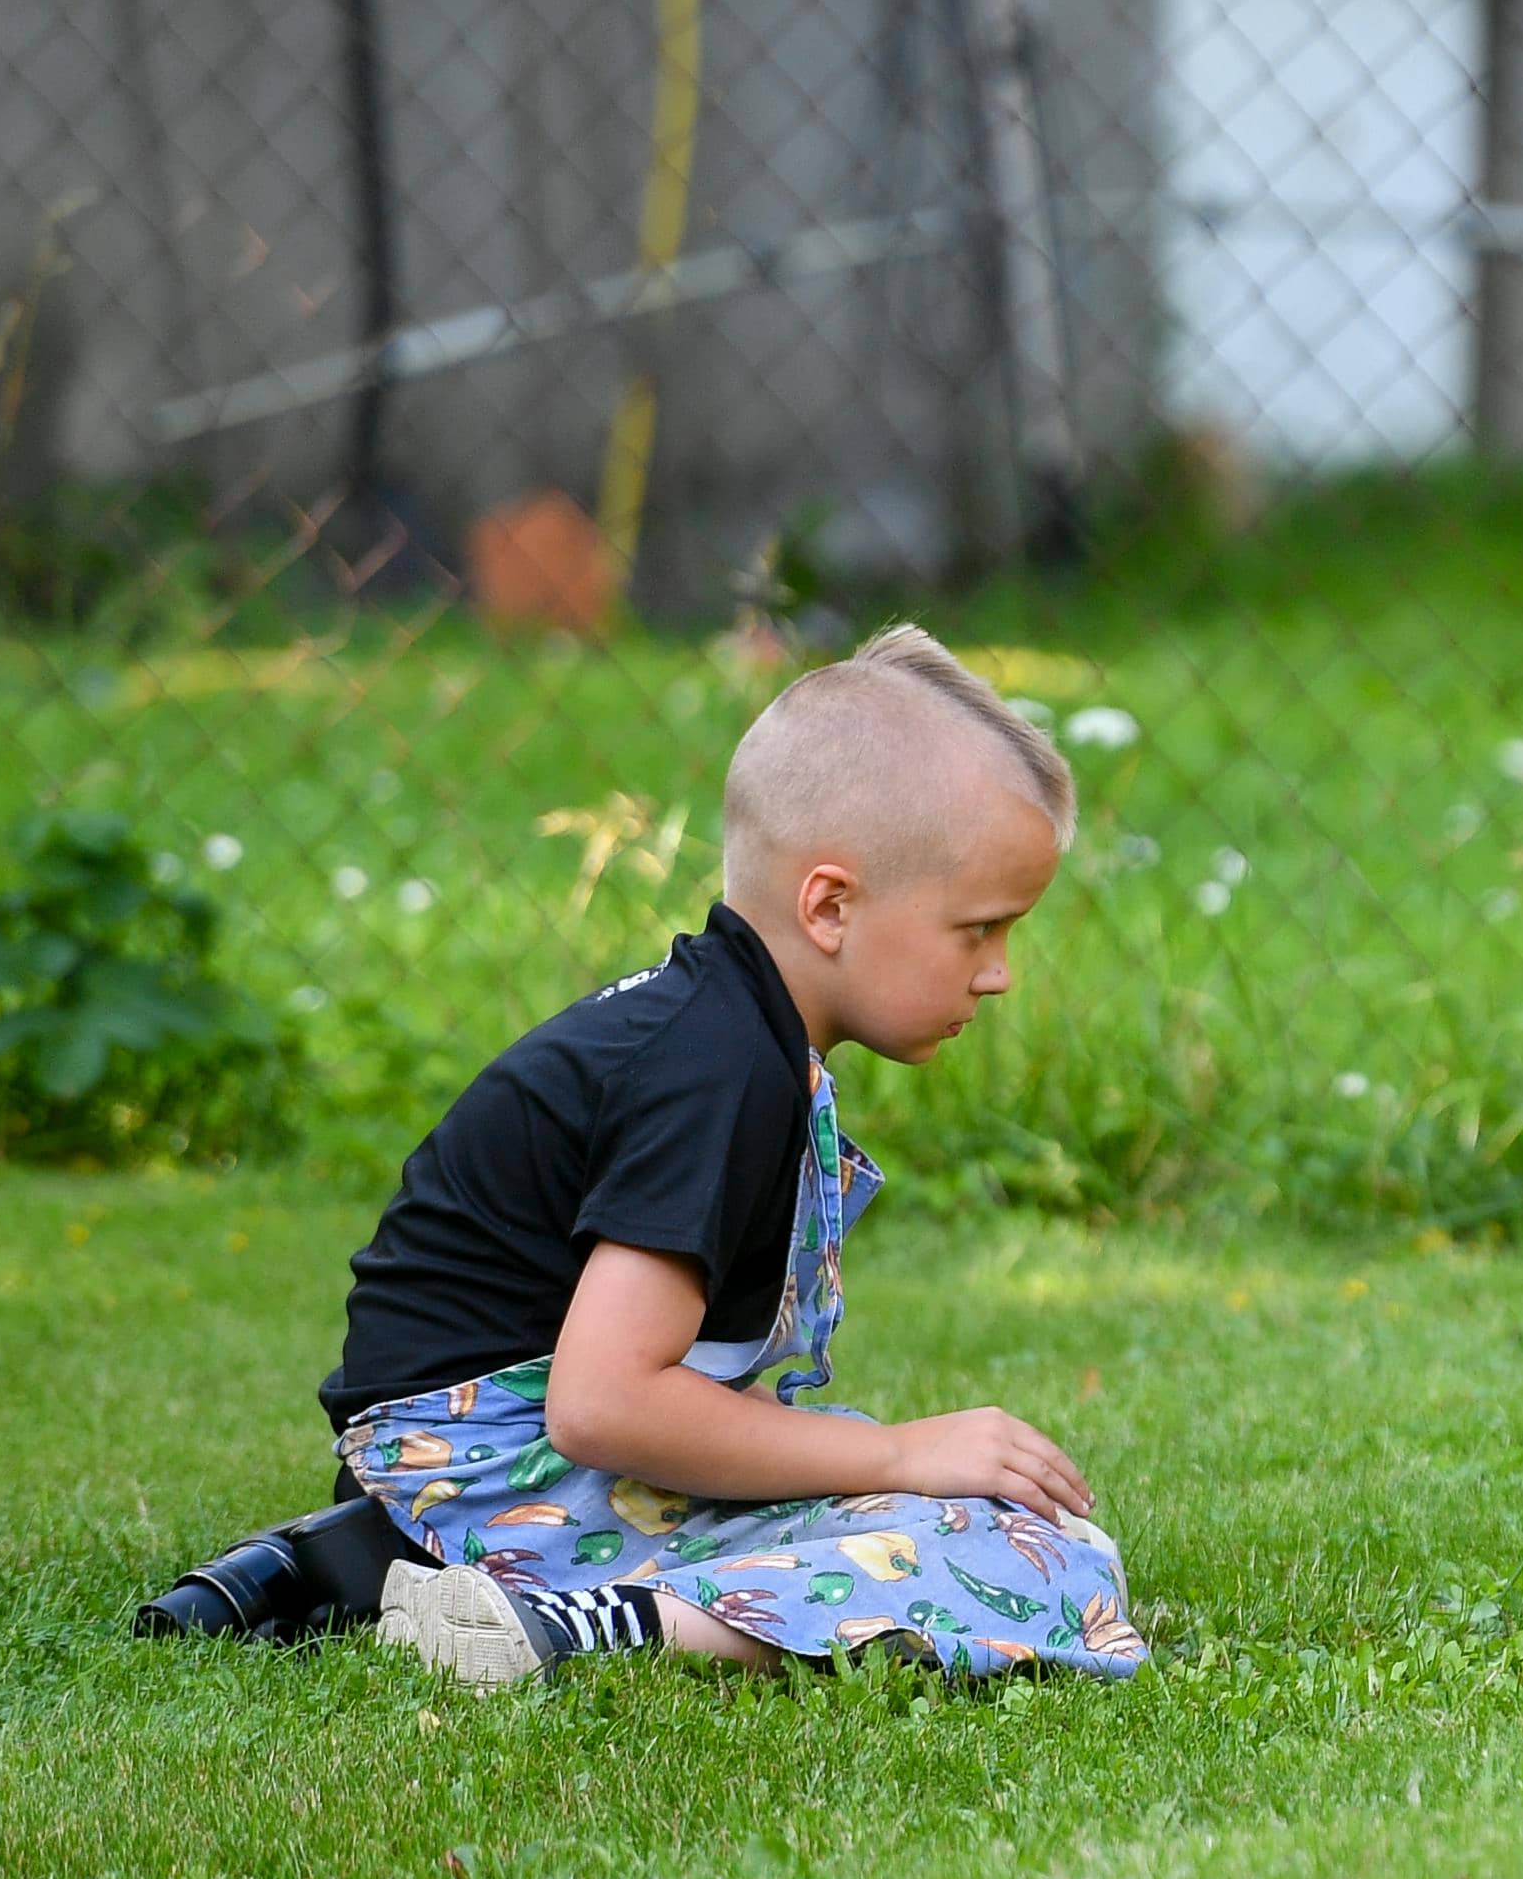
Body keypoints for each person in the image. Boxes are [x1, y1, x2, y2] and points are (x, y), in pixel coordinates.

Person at [329, 623, 1142, 1687]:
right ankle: (570, 1628)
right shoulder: (720, 1069)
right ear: (832, 905)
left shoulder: (731, 1035)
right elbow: (602, 1404)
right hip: (479, 1475)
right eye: (978, 930)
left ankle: (351, 1563)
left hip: (465, 1469)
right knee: (1038, 1563)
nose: (999, 976)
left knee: (962, 1509)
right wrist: (900, 1455)